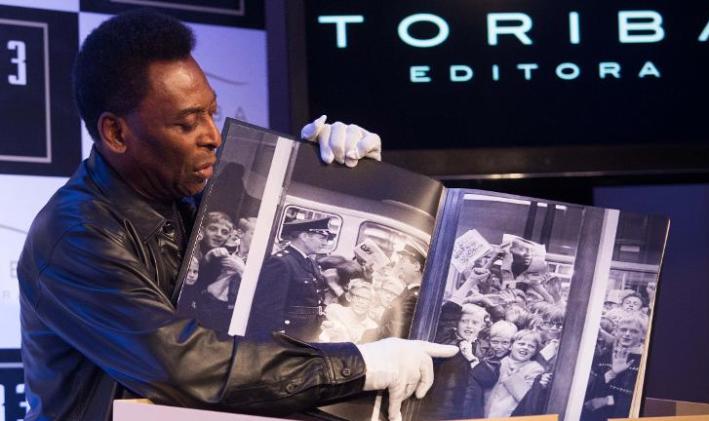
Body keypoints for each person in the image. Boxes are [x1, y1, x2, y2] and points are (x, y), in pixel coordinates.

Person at [17, 10, 457, 421]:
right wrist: (361, 367)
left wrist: (352, 174)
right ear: (116, 132)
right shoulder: (74, 236)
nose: (213, 135)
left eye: (212, 112)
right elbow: (183, 365)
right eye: (188, 123)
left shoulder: (193, 194)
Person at [246, 217, 335, 342]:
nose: (325, 243)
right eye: (322, 238)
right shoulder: (281, 262)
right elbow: (269, 307)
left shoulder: (310, 262)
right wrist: (279, 337)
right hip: (290, 335)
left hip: (307, 332)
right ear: (304, 236)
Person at [582, 314, 647, 421]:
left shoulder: (643, 361)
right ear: (616, 331)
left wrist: (608, 400)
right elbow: (590, 391)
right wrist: (612, 373)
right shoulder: (604, 356)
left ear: (643, 335)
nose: (627, 334)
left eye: (634, 331)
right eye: (623, 329)